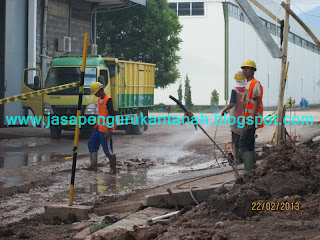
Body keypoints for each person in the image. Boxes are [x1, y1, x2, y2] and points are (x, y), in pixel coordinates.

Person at [239, 59, 263, 174]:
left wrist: (250, 119)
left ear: (253, 70)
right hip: (247, 119)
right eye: (243, 68)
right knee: (249, 143)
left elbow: (256, 102)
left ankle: (248, 169)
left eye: (247, 68)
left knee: (243, 143)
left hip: (251, 119)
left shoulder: (255, 83)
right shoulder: (247, 84)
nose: (244, 70)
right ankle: (253, 169)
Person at [88, 82, 116, 172]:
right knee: (91, 144)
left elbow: (111, 115)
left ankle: (113, 168)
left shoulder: (108, 100)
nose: (95, 95)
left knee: (107, 149)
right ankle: (93, 165)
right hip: (98, 128)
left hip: (105, 130)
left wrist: (108, 129)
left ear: (100, 90)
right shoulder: (99, 99)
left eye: (95, 93)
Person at [221, 71, 246, 165]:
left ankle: (236, 159)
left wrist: (224, 110)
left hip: (236, 118)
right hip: (246, 117)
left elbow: (232, 103)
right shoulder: (247, 89)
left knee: (235, 140)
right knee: (245, 138)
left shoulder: (234, 90)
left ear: (236, 79)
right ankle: (246, 158)